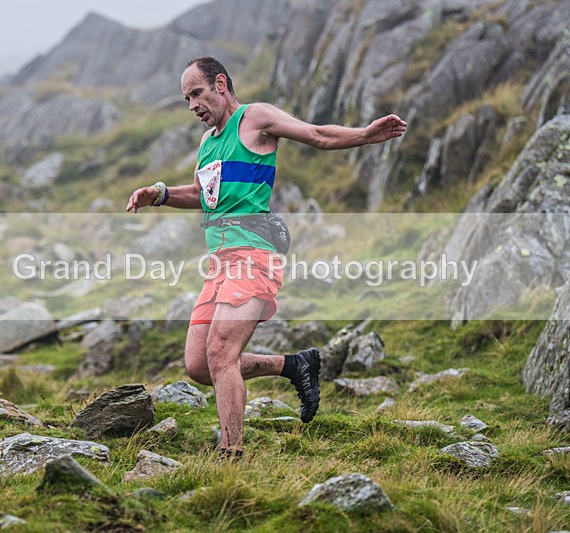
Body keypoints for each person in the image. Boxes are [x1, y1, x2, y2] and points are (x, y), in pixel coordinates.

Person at [126, 56, 407, 459]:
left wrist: (365, 134)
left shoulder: (254, 118)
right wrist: (161, 194)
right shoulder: (207, 144)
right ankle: (295, 365)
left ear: (220, 83)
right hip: (220, 263)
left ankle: (231, 458)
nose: (192, 105)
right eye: (186, 99)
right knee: (199, 365)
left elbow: (316, 135)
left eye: (197, 93)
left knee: (222, 355)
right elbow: (204, 195)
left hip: (254, 255)